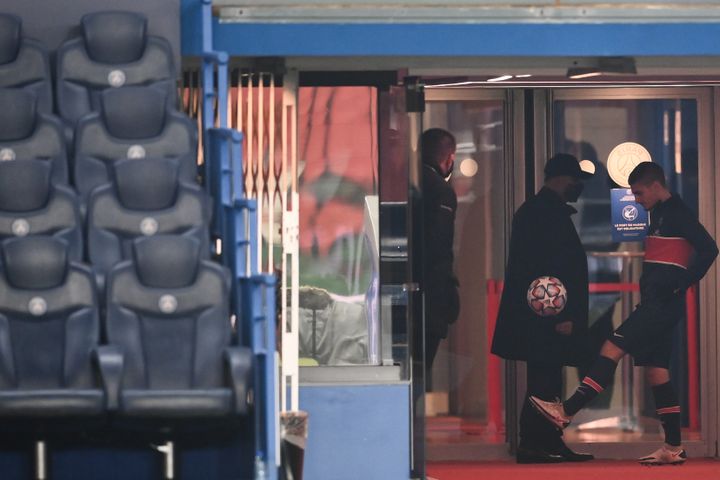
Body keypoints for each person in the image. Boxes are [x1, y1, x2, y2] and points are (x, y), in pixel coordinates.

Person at [531, 161, 718, 465]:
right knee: (658, 372)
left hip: (660, 304)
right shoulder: (657, 212)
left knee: (611, 347)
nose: (637, 200)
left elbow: (710, 248)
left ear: (656, 186)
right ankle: (673, 447)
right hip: (656, 302)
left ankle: (566, 411)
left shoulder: (678, 213)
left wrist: (681, 283)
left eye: (640, 193)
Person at [491, 153, 595, 463]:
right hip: (547, 318)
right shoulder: (544, 213)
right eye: (575, 179)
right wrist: (562, 316)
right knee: (545, 378)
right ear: (562, 178)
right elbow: (547, 271)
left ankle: (544, 442)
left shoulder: (538, 211)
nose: (578, 185)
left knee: (546, 376)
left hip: (541, 316)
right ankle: (537, 444)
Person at [421, 128, 460, 391]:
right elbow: (439, 247)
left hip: (405, 295)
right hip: (429, 297)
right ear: (449, 159)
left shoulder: (404, 183)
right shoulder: (440, 191)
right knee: (421, 368)